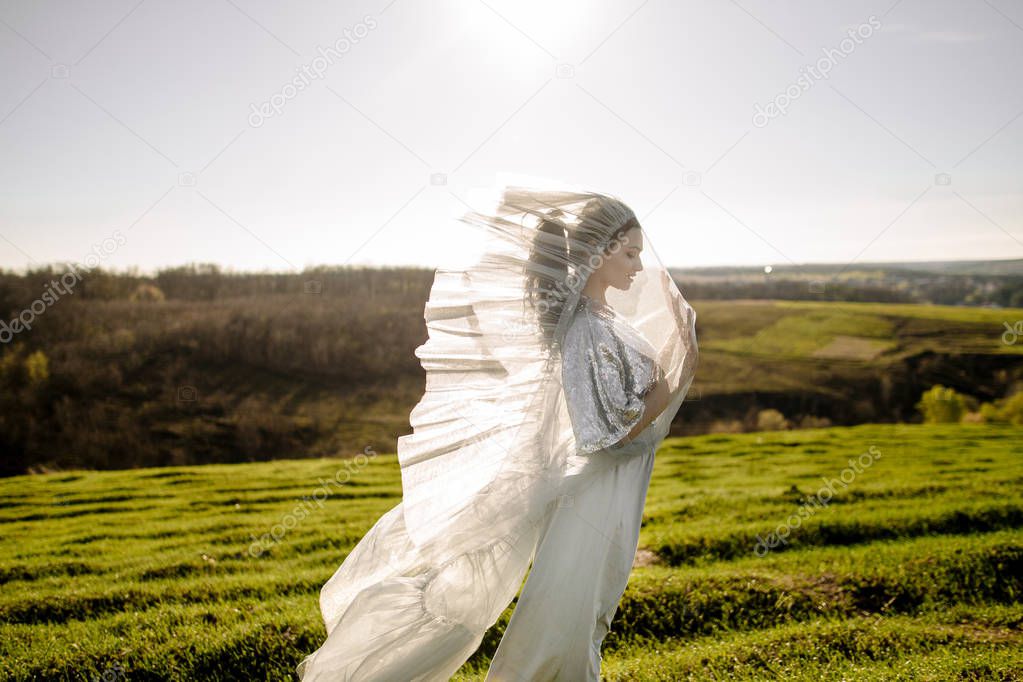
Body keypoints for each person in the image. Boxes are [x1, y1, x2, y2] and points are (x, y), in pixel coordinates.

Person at [296, 181, 698, 681]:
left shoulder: (602, 318)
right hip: (596, 492)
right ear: (598, 254)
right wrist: (674, 378)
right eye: (631, 253)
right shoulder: (584, 330)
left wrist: (673, 362)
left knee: (586, 612)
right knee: (569, 620)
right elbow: (604, 434)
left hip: (614, 488)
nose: (640, 267)